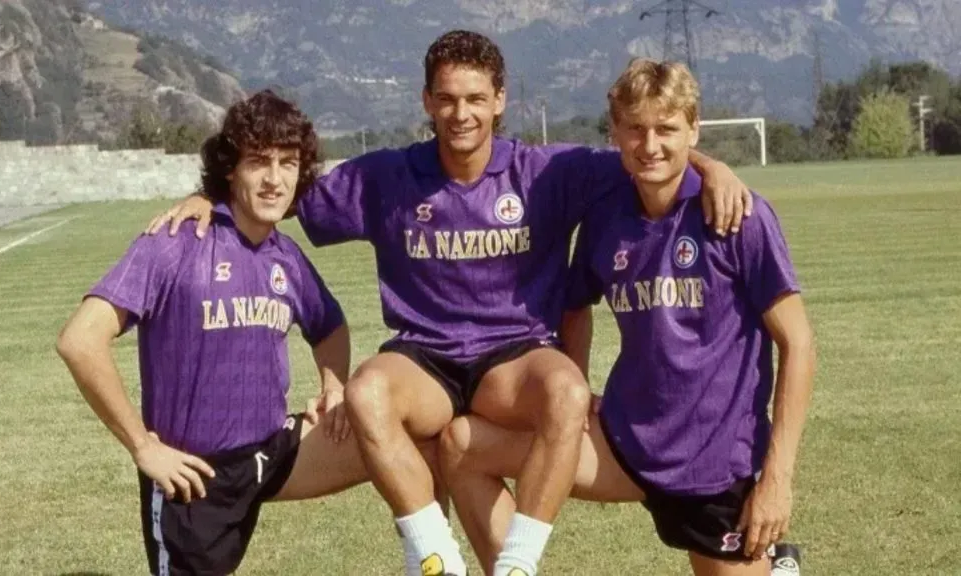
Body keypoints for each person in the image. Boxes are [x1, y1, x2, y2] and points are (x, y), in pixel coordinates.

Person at [144, 31, 754, 576]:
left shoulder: (548, 171)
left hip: (514, 358)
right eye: (447, 98)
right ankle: (434, 556)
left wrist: (712, 167)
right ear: (428, 102)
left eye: (475, 98)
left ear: (499, 100)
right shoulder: (388, 177)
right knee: (366, 393)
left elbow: (646, 151)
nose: (461, 112)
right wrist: (211, 199)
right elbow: (280, 184)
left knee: (567, 391)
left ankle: (517, 563)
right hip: (425, 359)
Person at [437, 57, 815, 576]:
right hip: (624, 444)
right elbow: (576, 305)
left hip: (715, 465)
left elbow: (798, 344)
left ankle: (778, 566)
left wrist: (778, 478)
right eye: (635, 129)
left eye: (667, 129)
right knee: (463, 445)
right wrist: (574, 384)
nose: (651, 144)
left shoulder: (737, 216)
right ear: (615, 133)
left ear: (694, 130)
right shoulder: (608, 215)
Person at [56, 90, 372, 576]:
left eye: (288, 163)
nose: (274, 179)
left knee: (401, 430)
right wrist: (144, 447)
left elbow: (329, 326)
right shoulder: (177, 241)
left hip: (271, 453)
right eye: (258, 161)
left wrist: (334, 386)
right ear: (231, 168)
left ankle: (432, 558)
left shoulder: (286, 257)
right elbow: (80, 341)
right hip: (193, 477)